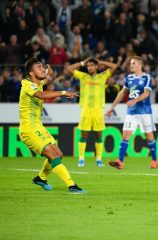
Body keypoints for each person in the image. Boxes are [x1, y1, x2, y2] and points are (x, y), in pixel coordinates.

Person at [19, 57, 85, 193]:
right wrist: (64, 92)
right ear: (31, 73)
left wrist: (48, 73)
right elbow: (42, 95)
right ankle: (71, 185)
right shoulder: (26, 83)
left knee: (59, 155)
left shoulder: (38, 83)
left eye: (42, 66)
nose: (42, 69)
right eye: (38, 67)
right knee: (53, 156)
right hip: (28, 129)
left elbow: (46, 79)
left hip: (38, 127)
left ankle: (40, 178)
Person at [106, 56, 158, 169]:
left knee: (149, 136)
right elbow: (122, 93)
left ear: (140, 65)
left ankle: (154, 161)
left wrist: (135, 100)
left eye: (133, 63)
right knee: (126, 134)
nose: (131, 65)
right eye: (130, 63)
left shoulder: (146, 77)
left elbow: (146, 94)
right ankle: (120, 161)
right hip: (132, 112)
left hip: (145, 111)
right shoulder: (129, 78)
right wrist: (112, 107)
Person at [66, 58, 118, 167]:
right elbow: (68, 68)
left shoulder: (102, 76)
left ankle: (99, 159)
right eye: (88, 65)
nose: (89, 67)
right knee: (84, 135)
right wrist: (81, 63)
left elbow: (114, 66)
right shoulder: (83, 76)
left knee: (98, 135)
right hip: (86, 110)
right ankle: (81, 159)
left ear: (96, 67)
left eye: (92, 65)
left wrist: (102, 61)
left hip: (98, 110)